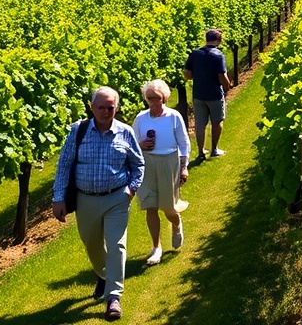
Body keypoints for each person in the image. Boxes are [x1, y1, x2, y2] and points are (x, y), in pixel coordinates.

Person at [52, 86, 144, 322]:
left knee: (116, 246)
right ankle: (103, 274)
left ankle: (113, 297)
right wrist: (58, 198)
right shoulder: (78, 130)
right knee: (92, 245)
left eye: (110, 107)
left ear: (117, 108)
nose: (105, 112)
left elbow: (138, 165)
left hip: (117, 198)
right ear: (91, 107)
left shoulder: (125, 132)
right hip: (86, 199)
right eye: (100, 107)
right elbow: (64, 165)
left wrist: (131, 189)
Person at [132, 80, 191, 266]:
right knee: (150, 205)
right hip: (147, 163)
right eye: (149, 98)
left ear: (164, 97)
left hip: (169, 162)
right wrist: (141, 145)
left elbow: (184, 143)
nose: (153, 102)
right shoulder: (141, 118)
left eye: (156, 98)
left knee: (168, 207)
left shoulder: (173, 116)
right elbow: (132, 144)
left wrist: (184, 166)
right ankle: (156, 247)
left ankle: (176, 223)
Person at [183, 28, 233, 162]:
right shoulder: (218, 55)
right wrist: (227, 87)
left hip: (198, 94)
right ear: (219, 40)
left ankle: (201, 152)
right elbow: (222, 76)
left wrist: (197, 76)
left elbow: (187, 73)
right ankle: (214, 149)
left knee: (200, 123)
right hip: (214, 95)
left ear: (206, 39)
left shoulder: (195, 54)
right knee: (217, 121)